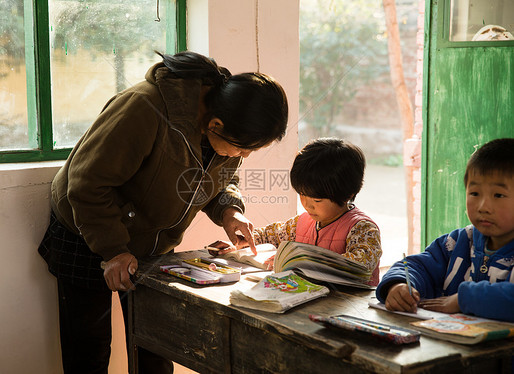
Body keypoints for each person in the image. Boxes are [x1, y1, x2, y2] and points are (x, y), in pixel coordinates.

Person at [38, 50, 289, 374]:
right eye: (242, 148)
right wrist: (114, 250)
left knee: (155, 346)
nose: (243, 155)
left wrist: (228, 210)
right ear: (215, 124)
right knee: (89, 349)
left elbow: (216, 178)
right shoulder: (144, 108)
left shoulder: (229, 123)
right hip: (85, 230)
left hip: (151, 243)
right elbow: (87, 186)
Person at [209, 137, 382, 286]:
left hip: (350, 306)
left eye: (317, 200)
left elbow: (361, 266)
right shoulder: (302, 223)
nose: (307, 205)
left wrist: (302, 260)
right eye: (302, 194)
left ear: (347, 195)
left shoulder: (363, 229)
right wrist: (239, 243)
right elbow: (271, 235)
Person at [376, 138, 514, 322]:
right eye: (474, 193)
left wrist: (463, 299)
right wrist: (398, 285)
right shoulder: (458, 242)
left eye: (498, 195)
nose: (483, 207)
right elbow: (416, 266)